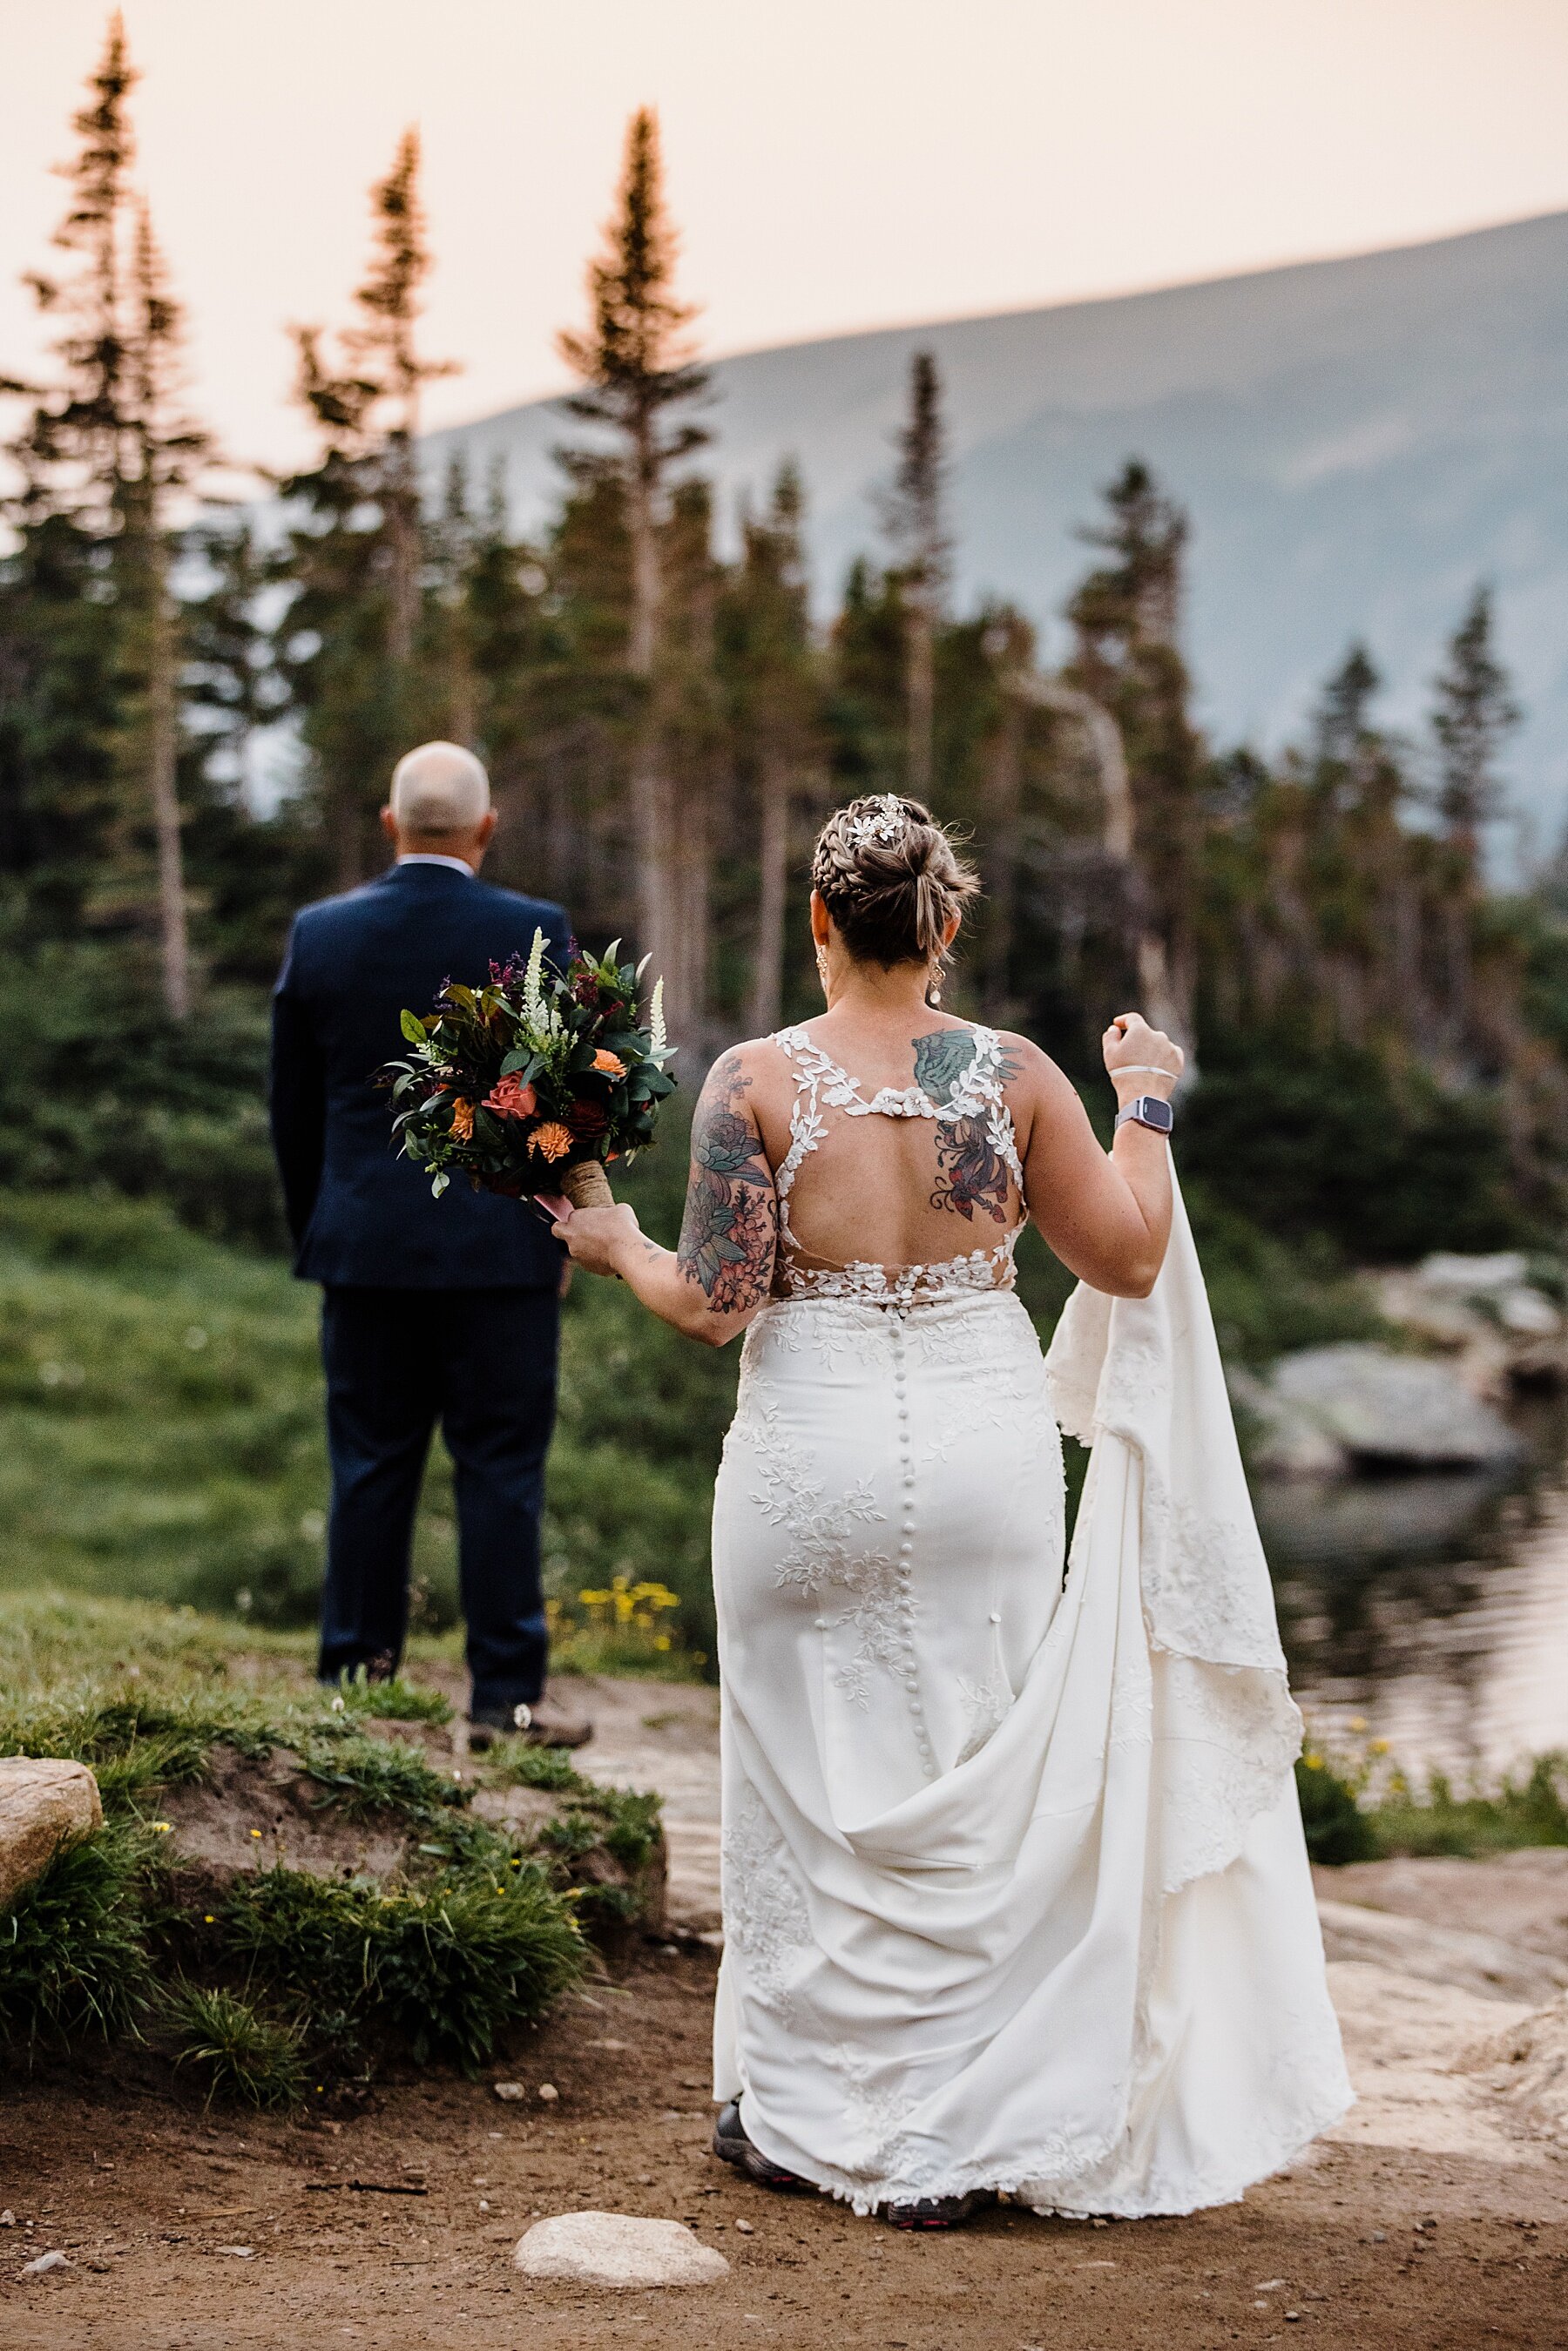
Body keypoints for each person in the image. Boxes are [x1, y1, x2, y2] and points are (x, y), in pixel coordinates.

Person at [555, 792, 1348, 2226]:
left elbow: (715, 1307)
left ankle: (804, 2107)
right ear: (948, 928)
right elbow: (1125, 1256)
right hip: (987, 1465)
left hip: (809, 1457)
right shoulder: (1020, 1076)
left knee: (802, 1780)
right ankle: (970, 2114)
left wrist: (617, 1244)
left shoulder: (756, 1083)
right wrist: (1148, 1102)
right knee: (977, 1775)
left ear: (817, 923)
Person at [269, 741, 591, 1748]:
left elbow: (291, 1112)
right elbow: (572, 1096)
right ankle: (506, 1698)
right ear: (486, 828)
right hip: (502, 1252)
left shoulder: (320, 935)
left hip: (362, 1249)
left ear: (389, 822)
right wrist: (568, 1229)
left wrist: (319, 1225)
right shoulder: (535, 931)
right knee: (502, 1469)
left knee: (369, 1465)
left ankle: (355, 1687)